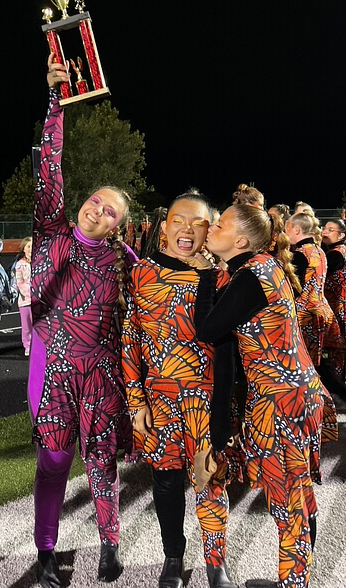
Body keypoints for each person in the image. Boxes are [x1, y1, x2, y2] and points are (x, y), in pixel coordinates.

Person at [29, 54, 138, 587]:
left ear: (119, 227)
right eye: (96, 201)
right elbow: (49, 166)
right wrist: (56, 101)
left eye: (111, 211)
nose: (98, 210)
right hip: (51, 363)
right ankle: (46, 550)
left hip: (101, 370)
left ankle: (109, 542)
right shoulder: (50, 233)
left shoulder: (125, 261)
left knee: (101, 461)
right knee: (53, 460)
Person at [193, 204, 337, 588]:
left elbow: (208, 329)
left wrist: (207, 275)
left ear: (240, 240)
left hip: (281, 402)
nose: (211, 227)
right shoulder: (264, 266)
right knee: (297, 491)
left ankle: (294, 585)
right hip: (297, 394)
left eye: (219, 224)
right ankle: (296, 580)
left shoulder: (251, 275)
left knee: (287, 498)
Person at [122, 191, 241, 588]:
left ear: (210, 229)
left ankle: (214, 562)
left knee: (212, 480)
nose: (187, 229)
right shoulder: (141, 273)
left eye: (198, 222)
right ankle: (173, 555)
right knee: (167, 483)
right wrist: (136, 398)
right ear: (165, 226)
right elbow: (131, 339)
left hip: (207, 402)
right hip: (160, 402)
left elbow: (235, 349)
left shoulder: (226, 277)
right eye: (178, 220)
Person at [285, 213, 335, 366]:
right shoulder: (320, 251)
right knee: (317, 362)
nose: (286, 233)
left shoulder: (299, 255)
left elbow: (296, 287)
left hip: (304, 315)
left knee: (303, 362)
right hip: (321, 309)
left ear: (297, 230)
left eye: (288, 229)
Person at [322, 218, 346, 383]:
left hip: (338, 307)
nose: (324, 232)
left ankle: (337, 387)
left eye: (331, 230)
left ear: (342, 235)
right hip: (338, 305)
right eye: (324, 228)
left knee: (337, 349)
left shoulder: (336, 254)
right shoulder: (339, 250)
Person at [15, 236, 33, 356]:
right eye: (28, 246)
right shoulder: (20, 264)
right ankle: (27, 345)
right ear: (24, 249)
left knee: (38, 325)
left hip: (39, 300)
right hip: (26, 301)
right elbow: (20, 282)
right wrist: (31, 295)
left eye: (32, 246)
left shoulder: (40, 261)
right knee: (27, 325)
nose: (31, 249)